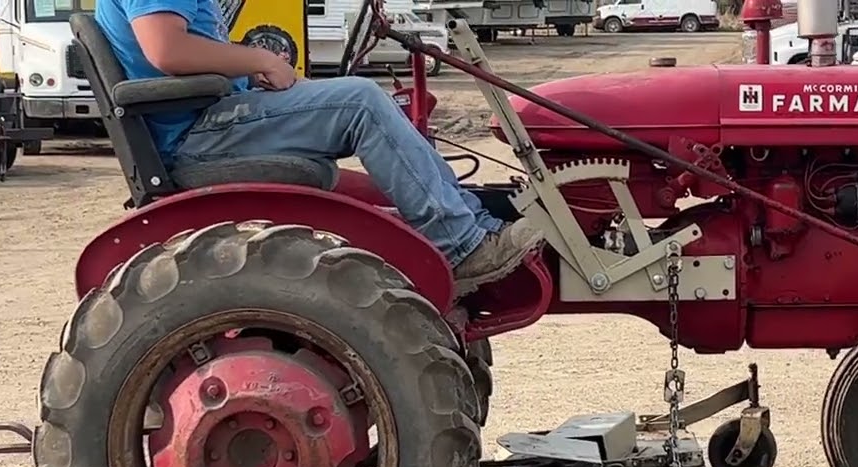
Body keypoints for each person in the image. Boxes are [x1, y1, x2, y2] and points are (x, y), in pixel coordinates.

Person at [95, 0, 540, 297]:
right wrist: (261, 60)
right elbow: (166, 49)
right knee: (361, 102)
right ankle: (462, 246)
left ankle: (474, 224)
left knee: (357, 100)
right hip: (199, 133)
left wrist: (262, 77)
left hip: (209, 117)